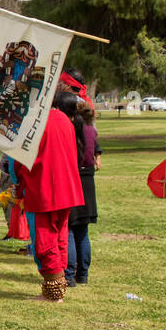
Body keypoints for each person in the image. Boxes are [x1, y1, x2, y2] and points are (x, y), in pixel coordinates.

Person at [16, 90, 84, 302]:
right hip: (66, 186)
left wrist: (18, 178)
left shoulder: (35, 121)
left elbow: (22, 158)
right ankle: (57, 286)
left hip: (44, 186)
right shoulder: (64, 118)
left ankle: (54, 292)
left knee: (46, 240)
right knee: (60, 236)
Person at [65, 89, 100, 287]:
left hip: (74, 177)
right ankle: (83, 274)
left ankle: (69, 274)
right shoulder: (91, 130)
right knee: (82, 231)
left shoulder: (72, 130)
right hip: (88, 179)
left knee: (70, 229)